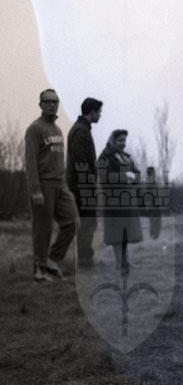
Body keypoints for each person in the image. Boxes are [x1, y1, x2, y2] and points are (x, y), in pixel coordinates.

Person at [24, 88, 79, 281]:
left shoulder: (57, 130)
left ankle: (52, 260)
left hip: (60, 185)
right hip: (43, 185)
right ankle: (39, 269)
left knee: (72, 222)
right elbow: (30, 162)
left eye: (55, 101)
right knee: (43, 229)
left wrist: (65, 184)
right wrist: (35, 190)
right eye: (47, 101)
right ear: (40, 104)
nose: (52, 104)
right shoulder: (35, 129)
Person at [97, 130, 143, 270]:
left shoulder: (126, 157)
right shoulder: (105, 157)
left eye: (124, 140)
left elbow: (137, 174)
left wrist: (134, 177)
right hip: (113, 200)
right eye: (120, 140)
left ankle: (125, 261)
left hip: (127, 200)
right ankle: (120, 263)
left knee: (125, 232)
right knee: (116, 233)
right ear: (112, 140)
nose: (123, 143)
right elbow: (104, 178)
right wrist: (124, 176)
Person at [66, 97, 102, 268]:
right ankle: (85, 260)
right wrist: (91, 183)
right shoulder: (81, 131)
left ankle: (85, 259)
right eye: (99, 111)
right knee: (88, 222)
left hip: (81, 185)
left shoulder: (81, 128)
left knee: (87, 223)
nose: (100, 115)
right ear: (92, 111)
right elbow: (81, 161)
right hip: (82, 186)